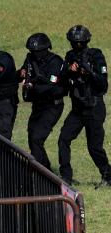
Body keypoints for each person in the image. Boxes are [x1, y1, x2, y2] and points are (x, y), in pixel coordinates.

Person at [57, 25, 111, 187]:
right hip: (77, 109)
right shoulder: (70, 56)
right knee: (63, 139)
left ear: (87, 41)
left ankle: (108, 175)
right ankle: (66, 177)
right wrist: (69, 70)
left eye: (80, 42)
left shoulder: (96, 56)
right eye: (74, 42)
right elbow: (63, 81)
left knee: (94, 147)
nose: (77, 45)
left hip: (94, 108)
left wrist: (89, 72)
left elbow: (103, 85)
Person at [18, 33, 66, 171]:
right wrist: (22, 73)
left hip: (52, 105)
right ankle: (41, 169)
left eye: (37, 51)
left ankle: (45, 171)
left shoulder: (56, 62)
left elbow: (52, 86)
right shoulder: (30, 59)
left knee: (37, 138)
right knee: (31, 136)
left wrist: (33, 86)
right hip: (38, 105)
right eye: (32, 51)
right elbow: (25, 72)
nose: (35, 54)